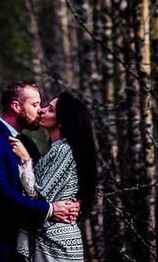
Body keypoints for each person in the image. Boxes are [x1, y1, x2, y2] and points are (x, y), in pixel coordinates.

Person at [0, 81, 81, 260]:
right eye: (35, 104)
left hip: (27, 244)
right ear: (16, 107)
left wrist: (72, 205)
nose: (40, 110)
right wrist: (50, 210)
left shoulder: (27, 143)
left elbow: (38, 187)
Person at [11, 92, 98, 261]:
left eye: (50, 109)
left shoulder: (63, 151)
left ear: (62, 121)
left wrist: (25, 161)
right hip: (56, 240)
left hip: (55, 244)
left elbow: (37, 196)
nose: (42, 111)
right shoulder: (60, 149)